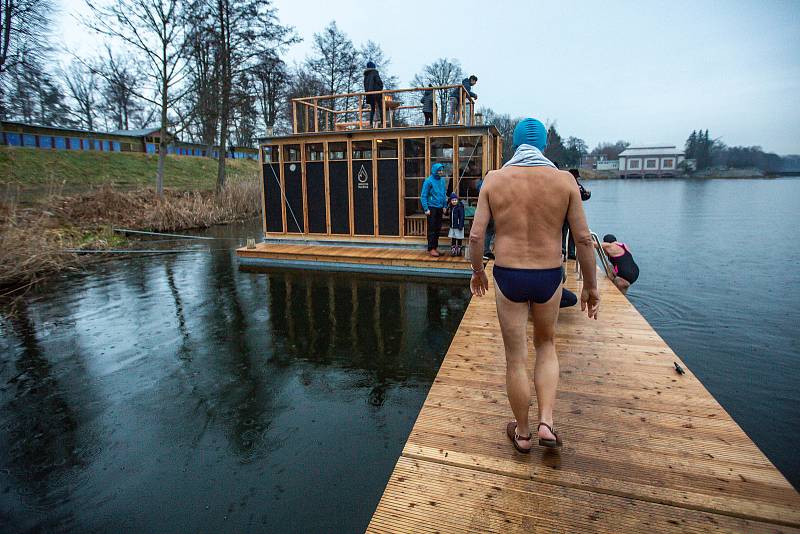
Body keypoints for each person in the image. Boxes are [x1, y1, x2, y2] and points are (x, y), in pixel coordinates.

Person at [469, 118, 600, 453]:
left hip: (509, 274)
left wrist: (477, 271)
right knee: (546, 345)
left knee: (516, 358)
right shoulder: (565, 181)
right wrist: (590, 287)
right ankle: (546, 422)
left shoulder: (494, 180)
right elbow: (583, 239)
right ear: (543, 145)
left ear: (515, 145)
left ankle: (523, 434)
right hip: (547, 275)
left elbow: (476, 235)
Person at [562, 168, 591, 259]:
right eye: (576, 176)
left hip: (566, 212)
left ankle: (567, 252)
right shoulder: (577, 186)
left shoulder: (564, 184)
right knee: (568, 232)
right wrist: (587, 194)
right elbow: (584, 196)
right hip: (572, 213)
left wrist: (587, 194)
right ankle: (568, 252)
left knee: (566, 232)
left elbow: (584, 196)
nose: (576, 178)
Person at [420, 163, 448, 257]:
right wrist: (426, 208)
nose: (440, 172)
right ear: (435, 170)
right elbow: (423, 196)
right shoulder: (428, 181)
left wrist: (444, 206)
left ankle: (435, 247)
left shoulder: (442, 180)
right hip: (431, 208)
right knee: (432, 229)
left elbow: (444, 193)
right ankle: (431, 248)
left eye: (441, 170)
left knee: (438, 228)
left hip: (440, 207)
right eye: (439, 170)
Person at [476, 175, 495, 259]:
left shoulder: (482, 185)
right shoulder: (488, 185)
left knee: (488, 231)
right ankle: (485, 251)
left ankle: (486, 250)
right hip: (489, 211)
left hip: (487, 211)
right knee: (489, 231)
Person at [363, 61, 384, 128]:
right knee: (381, 107)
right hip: (376, 93)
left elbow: (365, 86)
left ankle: (371, 123)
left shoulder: (366, 75)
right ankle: (382, 123)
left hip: (369, 94)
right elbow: (379, 82)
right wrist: (380, 88)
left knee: (372, 108)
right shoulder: (375, 72)